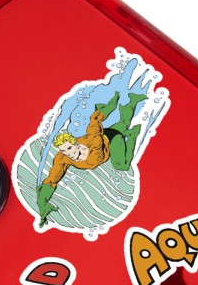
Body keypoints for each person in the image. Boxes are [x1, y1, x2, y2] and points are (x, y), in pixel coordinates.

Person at [36, 91, 146, 227]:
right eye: (64, 151)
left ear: (76, 144)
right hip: (102, 136)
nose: (69, 154)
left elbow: (95, 121)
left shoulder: (93, 141)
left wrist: (110, 106)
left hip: (111, 139)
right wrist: (42, 202)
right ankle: (132, 100)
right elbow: (52, 179)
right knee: (123, 123)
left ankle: (133, 134)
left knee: (121, 164)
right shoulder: (63, 158)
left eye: (70, 148)